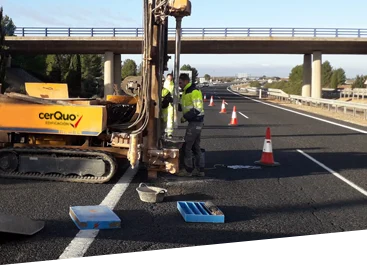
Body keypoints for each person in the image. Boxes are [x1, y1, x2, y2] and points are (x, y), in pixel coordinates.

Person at [176, 73, 205, 177]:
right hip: (195, 122)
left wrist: (186, 117)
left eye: (180, 82)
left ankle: (188, 170)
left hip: (196, 121)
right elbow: (184, 106)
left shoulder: (194, 91)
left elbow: (198, 108)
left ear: (186, 81)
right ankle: (200, 170)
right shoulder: (185, 92)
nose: (179, 85)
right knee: (195, 146)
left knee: (187, 147)